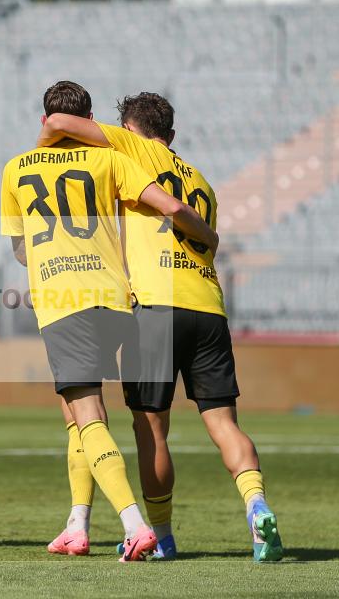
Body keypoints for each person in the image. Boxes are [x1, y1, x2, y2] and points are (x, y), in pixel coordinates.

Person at [38, 92, 284, 562]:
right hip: (209, 308)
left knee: (151, 430)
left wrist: (45, 145)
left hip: (155, 308)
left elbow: (59, 123)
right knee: (224, 424)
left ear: (129, 129)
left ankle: (164, 539)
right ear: (171, 134)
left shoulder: (129, 147)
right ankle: (257, 506)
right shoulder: (203, 182)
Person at [1, 81, 217, 562]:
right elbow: (164, 207)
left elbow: (20, 250)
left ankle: (134, 524)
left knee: (88, 416)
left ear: (44, 121)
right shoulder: (112, 160)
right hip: (117, 301)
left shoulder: (16, 168)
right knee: (77, 417)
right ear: (90, 118)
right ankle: (76, 524)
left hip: (64, 300)